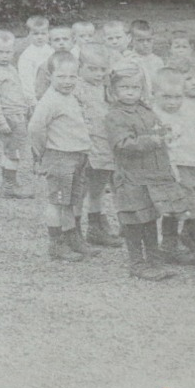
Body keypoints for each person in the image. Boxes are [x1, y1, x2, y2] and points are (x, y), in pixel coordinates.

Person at [151, 66, 195, 269]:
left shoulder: (187, 110)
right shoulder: (155, 116)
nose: (172, 102)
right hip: (175, 167)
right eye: (167, 97)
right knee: (191, 207)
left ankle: (169, 246)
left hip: (193, 163)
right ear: (155, 94)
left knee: (188, 203)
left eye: (177, 97)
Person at [105, 67, 171, 278]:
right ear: (114, 91)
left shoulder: (146, 110)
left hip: (149, 175)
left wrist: (164, 132)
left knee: (150, 216)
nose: (130, 92)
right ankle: (136, 263)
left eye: (135, 87)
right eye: (124, 87)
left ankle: (154, 259)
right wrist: (149, 141)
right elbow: (122, 144)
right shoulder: (115, 115)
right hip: (129, 176)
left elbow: (155, 129)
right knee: (133, 219)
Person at [29, 49, 91, 261]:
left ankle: (72, 237)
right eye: (61, 76)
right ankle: (56, 244)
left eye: (72, 76)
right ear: (49, 76)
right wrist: (43, 152)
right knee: (57, 202)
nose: (67, 81)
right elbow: (35, 129)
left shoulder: (71, 96)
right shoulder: (49, 100)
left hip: (77, 155)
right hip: (60, 156)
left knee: (71, 201)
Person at [76, 44, 125, 247]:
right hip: (87, 147)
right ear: (81, 68)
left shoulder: (106, 89)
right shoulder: (77, 88)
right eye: (92, 69)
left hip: (104, 147)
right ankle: (74, 230)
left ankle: (95, 228)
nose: (98, 74)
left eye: (102, 69)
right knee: (80, 191)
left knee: (97, 189)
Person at [0, 30, 33, 200]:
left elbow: (16, 91)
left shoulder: (10, 68)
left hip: (18, 114)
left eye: (8, 52)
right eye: (0, 52)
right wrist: (0, 121)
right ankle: (9, 187)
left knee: (11, 149)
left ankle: (8, 182)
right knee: (14, 151)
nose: (4, 56)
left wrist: (27, 106)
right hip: (9, 117)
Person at [32, 24, 75, 101]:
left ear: (73, 41)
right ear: (50, 43)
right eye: (56, 40)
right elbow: (40, 93)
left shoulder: (79, 63)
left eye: (65, 39)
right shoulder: (45, 66)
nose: (61, 43)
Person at [15, 15, 51, 105]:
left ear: (48, 34)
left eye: (43, 33)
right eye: (35, 34)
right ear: (28, 35)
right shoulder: (27, 56)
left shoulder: (51, 50)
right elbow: (26, 80)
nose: (40, 37)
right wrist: (32, 101)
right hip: (37, 94)